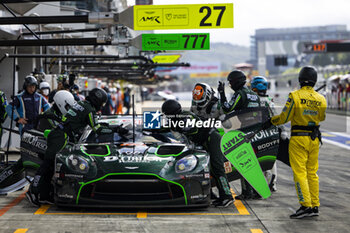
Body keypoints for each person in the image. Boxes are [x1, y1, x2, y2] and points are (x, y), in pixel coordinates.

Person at [26, 88, 128, 206]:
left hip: (58, 134)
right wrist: (116, 129)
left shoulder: (81, 103)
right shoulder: (89, 109)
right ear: (97, 100)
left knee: (52, 167)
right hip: (60, 136)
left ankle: (44, 195)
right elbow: (97, 129)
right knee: (47, 165)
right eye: (102, 103)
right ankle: (33, 192)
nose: (102, 105)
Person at [262, 66, 327, 219]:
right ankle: (315, 205)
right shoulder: (321, 98)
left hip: (299, 139)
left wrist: (271, 121)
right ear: (314, 80)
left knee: (300, 173)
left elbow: (285, 117)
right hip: (314, 139)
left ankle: (305, 206)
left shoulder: (295, 96)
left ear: (300, 79)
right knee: (312, 173)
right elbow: (322, 117)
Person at [162, 99, 234, 207]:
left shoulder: (186, 117)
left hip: (212, 138)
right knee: (204, 168)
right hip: (202, 142)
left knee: (217, 167)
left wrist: (174, 126)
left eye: (168, 115)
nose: (167, 117)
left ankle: (227, 196)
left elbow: (191, 130)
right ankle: (210, 194)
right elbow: (172, 132)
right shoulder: (175, 121)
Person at [0, 91, 76, 193]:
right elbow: (8, 108)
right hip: (36, 145)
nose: (68, 110)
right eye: (67, 107)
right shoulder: (49, 116)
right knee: (20, 165)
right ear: (60, 103)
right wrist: (17, 119)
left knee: (21, 165)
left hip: (44, 146)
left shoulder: (52, 109)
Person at [217, 70, 261, 200]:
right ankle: (257, 190)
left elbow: (227, 107)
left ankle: (247, 192)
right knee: (255, 163)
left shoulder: (241, 93)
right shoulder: (254, 94)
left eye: (231, 82)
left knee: (244, 162)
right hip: (256, 131)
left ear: (236, 81)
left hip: (245, 132)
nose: (230, 85)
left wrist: (221, 93)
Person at [250, 76, 288, 194]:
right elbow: (276, 116)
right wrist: (282, 130)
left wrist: (282, 130)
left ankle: (268, 183)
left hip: (261, 133)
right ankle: (272, 183)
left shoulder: (258, 101)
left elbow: (275, 116)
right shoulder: (268, 100)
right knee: (270, 158)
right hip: (269, 132)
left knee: (262, 159)